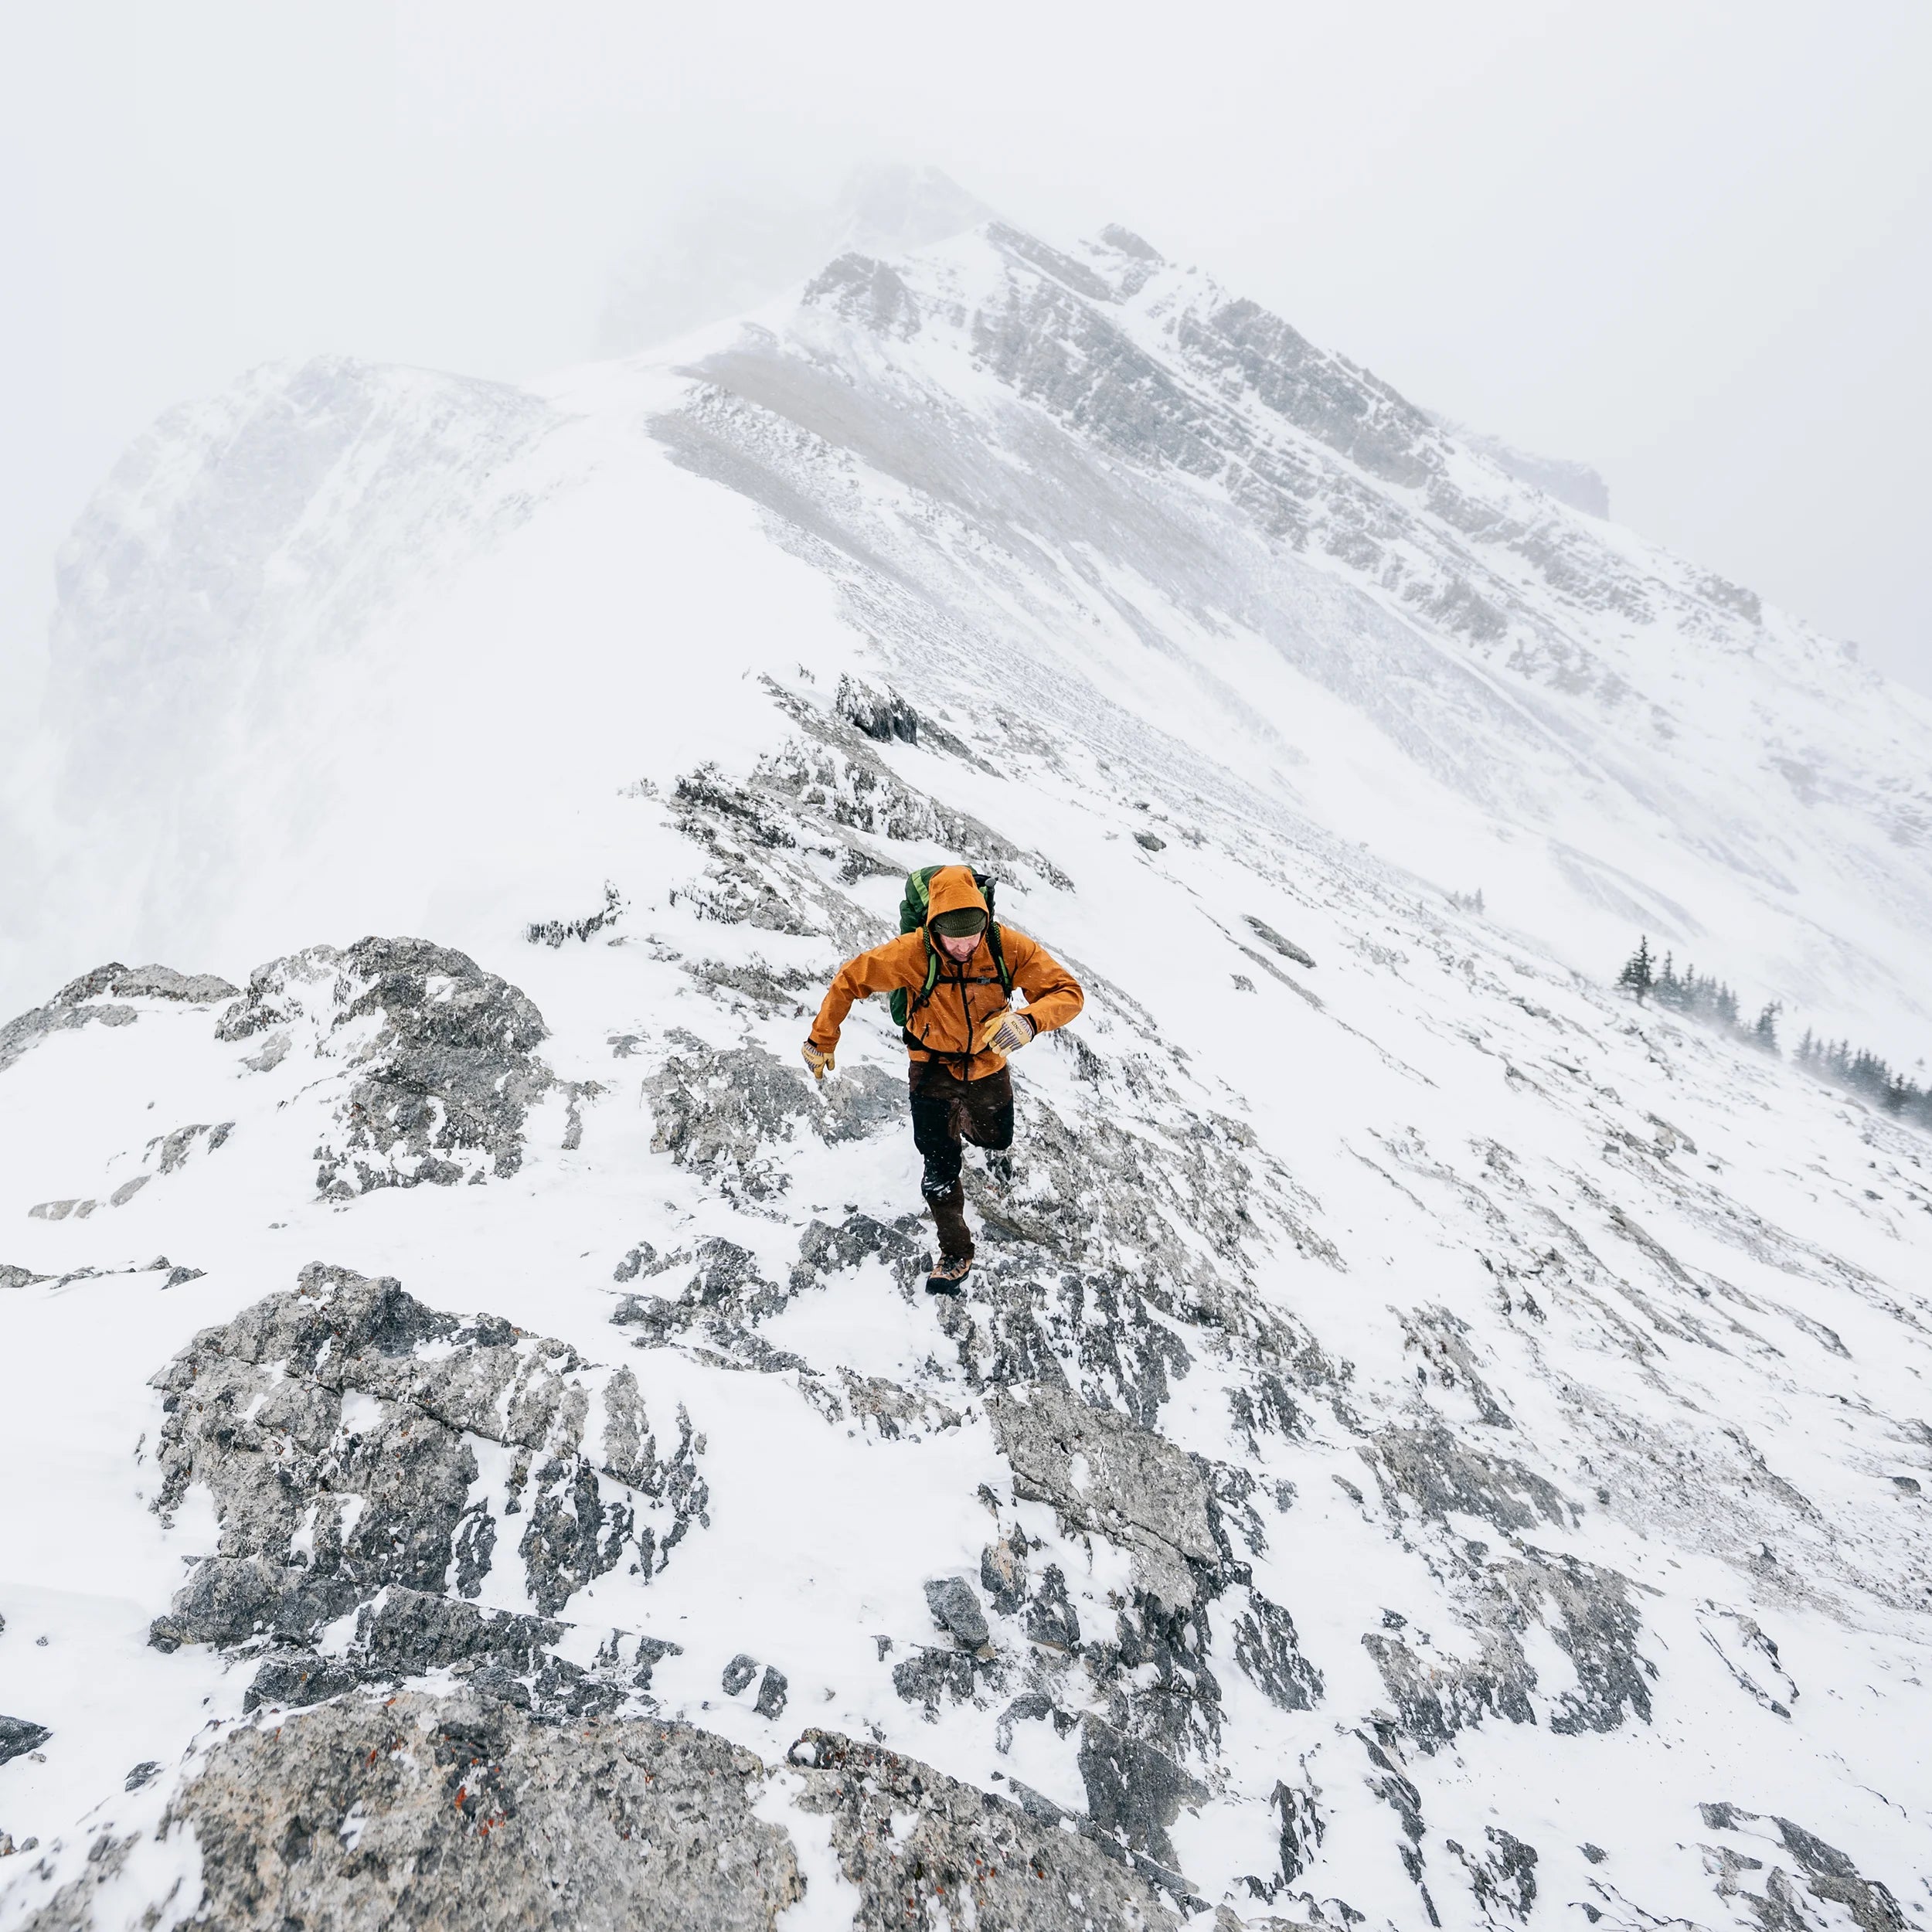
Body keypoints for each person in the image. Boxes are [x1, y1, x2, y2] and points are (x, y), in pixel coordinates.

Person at [802, 866, 1083, 1292]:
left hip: (988, 1063)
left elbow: (1068, 992)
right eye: (955, 940)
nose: (966, 947)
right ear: (933, 929)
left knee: (996, 1139)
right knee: (939, 1166)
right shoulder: (911, 953)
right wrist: (822, 1039)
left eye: (973, 936)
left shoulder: (1005, 946)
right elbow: (850, 981)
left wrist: (1029, 1021)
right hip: (930, 1067)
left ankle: (969, 1130)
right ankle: (955, 1252)